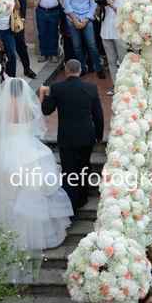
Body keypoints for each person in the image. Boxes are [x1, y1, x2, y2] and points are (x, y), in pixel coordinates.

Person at [0, 78, 73, 262]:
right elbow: (38, 124)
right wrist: (40, 96)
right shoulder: (27, 105)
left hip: (6, 148)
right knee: (32, 189)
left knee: (5, 190)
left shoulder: (3, 108)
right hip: (27, 148)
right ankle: (37, 235)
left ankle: (8, 233)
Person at [39, 60, 104, 212]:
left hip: (66, 137)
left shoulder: (57, 88)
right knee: (84, 166)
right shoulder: (91, 88)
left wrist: (44, 94)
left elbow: (46, 110)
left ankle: (71, 203)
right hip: (86, 136)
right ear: (80, 71)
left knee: (69, 170)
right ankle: (83, 197)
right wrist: (99, 136)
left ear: (66, 71)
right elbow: (99, 116)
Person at [64, 0, 105, 78]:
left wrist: (86, 20)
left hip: (87, 18)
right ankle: (82, 68)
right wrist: (75, 20)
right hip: (72, 18)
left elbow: (93, 5)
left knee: (92, 45)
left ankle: (98, 68)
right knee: (77, 46)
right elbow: (66, 4)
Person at [100, 0, 129, 93]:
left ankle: (125, 86)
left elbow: (127, 15)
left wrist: (112, 6)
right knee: (111, 62)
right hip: (105, 32)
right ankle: (116, 86)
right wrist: (99, 5)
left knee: (123, 61)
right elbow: (98, 14)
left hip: (119, 33)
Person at [35, 0, 63, 64]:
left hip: (54, 10)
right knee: (42, 32)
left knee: (53, 33)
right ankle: (44, 53)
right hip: (41, 10)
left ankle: (53, 54)